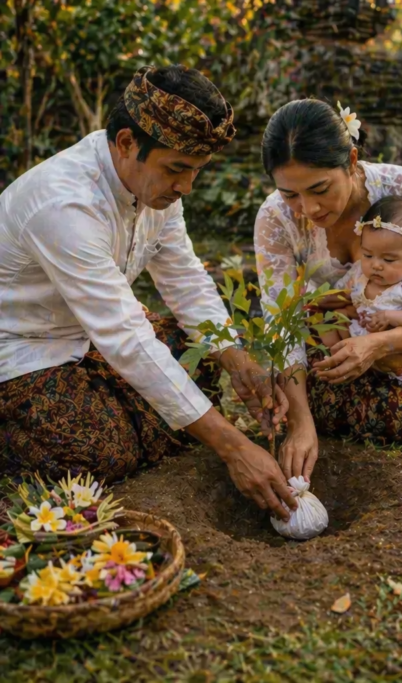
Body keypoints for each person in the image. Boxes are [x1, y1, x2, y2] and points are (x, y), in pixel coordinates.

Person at [0, 65, 297, 520]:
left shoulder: (159, 193)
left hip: (88, 340)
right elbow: (125, 336)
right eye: (177, 169)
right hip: (22, 351)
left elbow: (184, 277)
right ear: (125, 143)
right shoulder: (64, 204)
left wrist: (235, 357)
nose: (186, 188)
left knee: (194, 362)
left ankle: (128, 416)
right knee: (98, 452)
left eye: (196, 171)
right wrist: (232, 445)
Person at [255, 99, 402, 480]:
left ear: (352, 160)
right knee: (293, 403)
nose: (308, 208)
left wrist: (380, 345)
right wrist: (300, 423)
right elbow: (282, 318)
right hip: (332, 339)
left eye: (320, 188)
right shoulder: (275, 219)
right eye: (290, 193)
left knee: (401, 416)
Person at [319, 197, 402, 394]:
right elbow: (343, 294)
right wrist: (328, 301)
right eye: (368, 255)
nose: (376, 264)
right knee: (331, 321)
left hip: (391, 344)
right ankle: (335, 358)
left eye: (388, 259)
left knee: (390, 357)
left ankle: (395, 365)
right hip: (359, 331)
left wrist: (390, 317)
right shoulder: (360, 272)